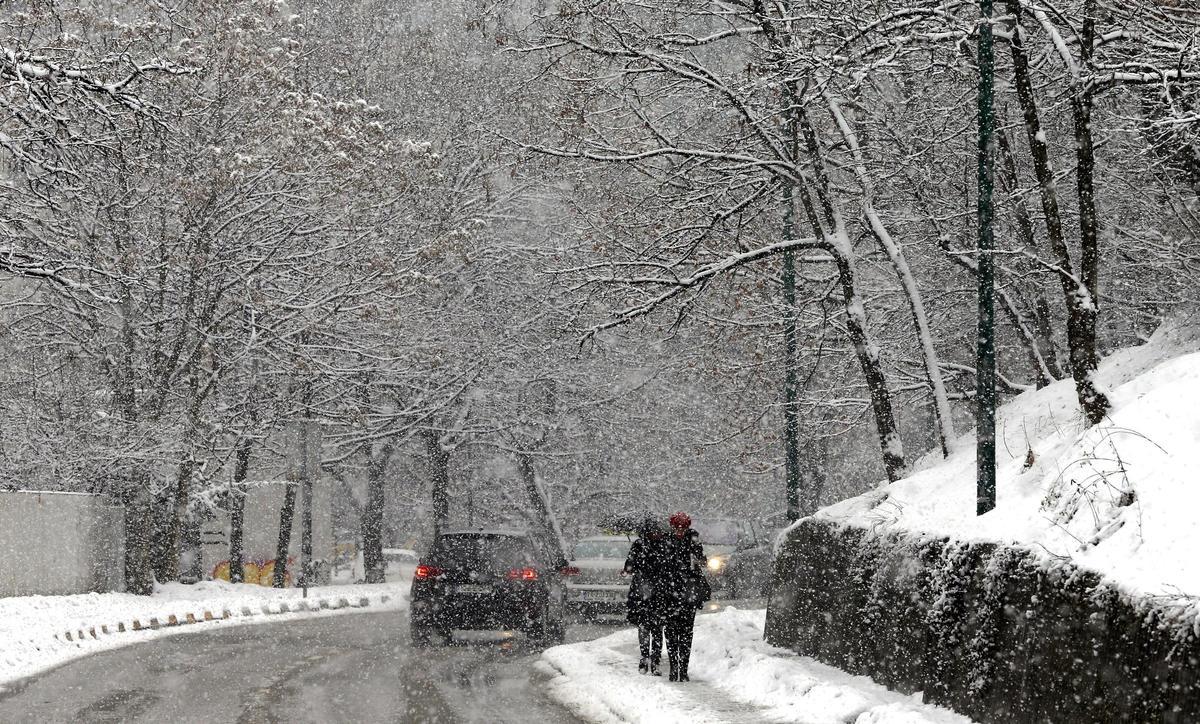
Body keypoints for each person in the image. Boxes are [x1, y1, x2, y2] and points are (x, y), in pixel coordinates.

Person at [662, 511, 708, 682]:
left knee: (686, 631)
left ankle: (684, 668)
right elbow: (663, 563)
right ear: (672, 527)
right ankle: (674, 667)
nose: (680, 531)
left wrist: (698, 560)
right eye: (677, 528)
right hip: (671, 592)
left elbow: (702, 559)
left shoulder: (693, 539)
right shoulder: (666, 540)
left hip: (688, 592)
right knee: (671, 631)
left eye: (683, 528)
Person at [624, 517, 669, 675]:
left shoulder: (664, 545)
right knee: (645, 627)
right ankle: (644, 658)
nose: (655, 534)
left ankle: (655, 660)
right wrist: (630, 568)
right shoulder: (638, 544)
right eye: (652, 531)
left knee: (657, 628)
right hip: (642, 592)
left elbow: (668, 567)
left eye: (657, 532)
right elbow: (629, 564)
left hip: (658, 593)